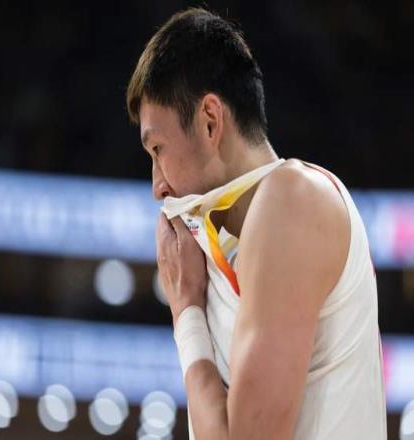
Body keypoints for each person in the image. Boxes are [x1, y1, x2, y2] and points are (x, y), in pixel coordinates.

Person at [126, 7, 387, 440]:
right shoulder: (229, 239)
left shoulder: (294, 199)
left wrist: (186, 312)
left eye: (158, 149)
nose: (158, 186)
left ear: (210, 121)